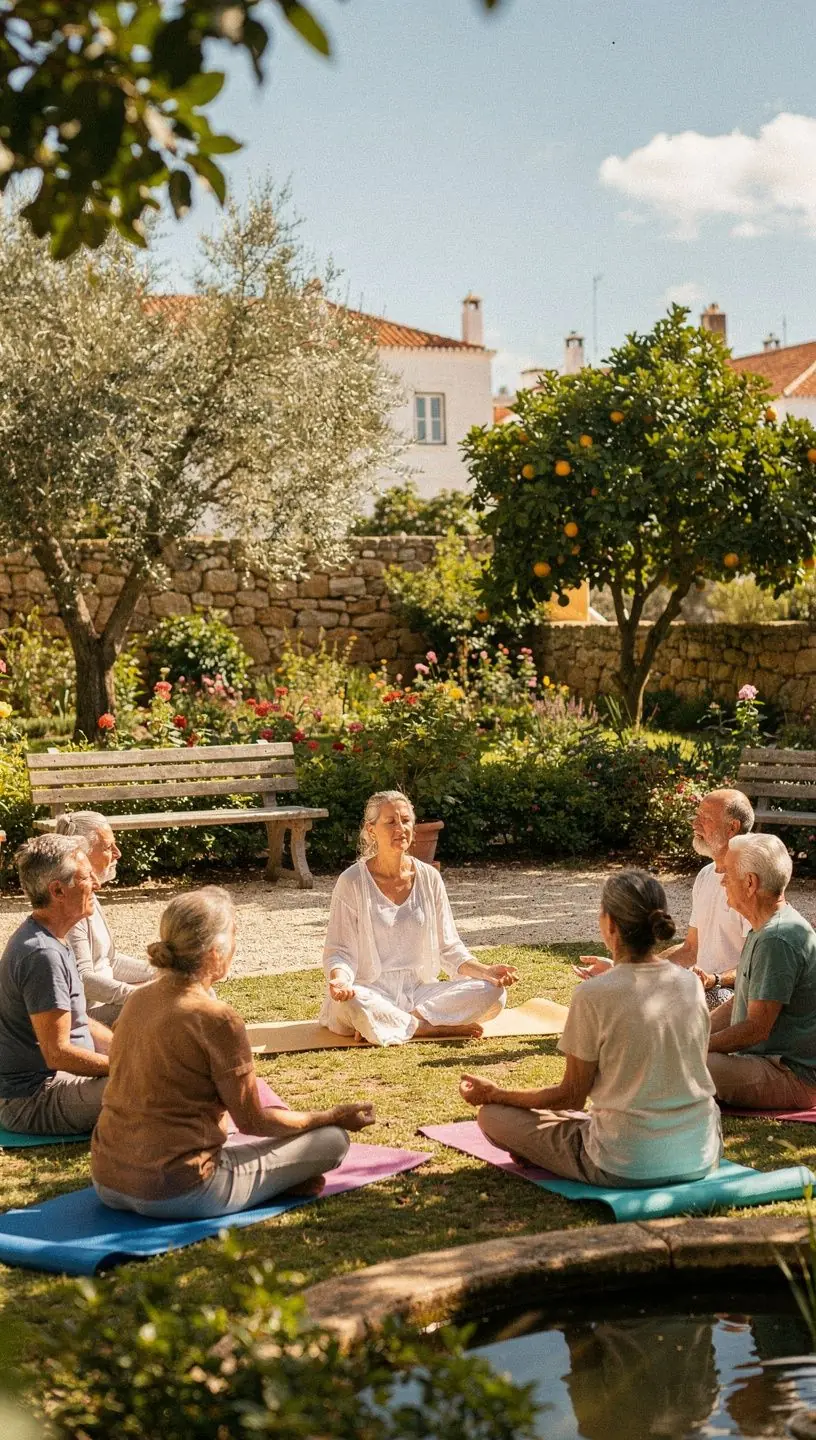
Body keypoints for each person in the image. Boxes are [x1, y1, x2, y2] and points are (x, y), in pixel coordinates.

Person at [91, 887, 375, 1218]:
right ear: (215, 952)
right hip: (181, 1190)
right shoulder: (218, 1019)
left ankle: (272, 1181)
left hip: (108, 1181)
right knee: (332, 1140)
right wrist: (330, 1117)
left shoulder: (137, 1001)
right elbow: (253, 1120)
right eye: (234, 935)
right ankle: (274, 1183)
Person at [461, 870, 721, 1187]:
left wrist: (497, 1093)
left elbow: (571, 1097)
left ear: (609, 925)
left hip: (623, 1162)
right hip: (701, 1153)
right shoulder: (690, 984)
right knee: (576, 1119)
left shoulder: (593, 995)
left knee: (492, 1116)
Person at [319, 790, 519, 1046]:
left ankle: (396, 1022)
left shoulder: (429, 877)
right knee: (353, 1002)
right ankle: (429, 1028)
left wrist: (486, 971)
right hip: (371, 990)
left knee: (493, 992)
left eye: (405, 820)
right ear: (371, 831)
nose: (400, 828)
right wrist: (340, 981)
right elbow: (339, 951)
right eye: (390, 822)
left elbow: (449, 947)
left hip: (419, 993)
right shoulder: (352, 881)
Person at [575, 788, 754, 1010]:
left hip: (732, 993)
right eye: (696, 816)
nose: (694, 824)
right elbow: (690, 948)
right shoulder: (706, 876)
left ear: (732, 827)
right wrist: (627, 970)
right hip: (699, 988)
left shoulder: (751, 883)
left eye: (705, 819)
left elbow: (756, 966)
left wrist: (715, 979)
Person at [0, 835, 111, 1136]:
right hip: (33, 1100)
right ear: (58, 890)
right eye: (87, 878)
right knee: (155, 1086)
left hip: (61, 1081)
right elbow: (57, 1053)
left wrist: (127, 1052)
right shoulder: (41, 954)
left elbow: (78, 1019)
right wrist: (125, 1067)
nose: (97, 885)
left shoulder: (52, 938)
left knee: (156, 1069)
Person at [707, 833, 816, 1110]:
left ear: (750, 883)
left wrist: (696, 1046)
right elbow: (739, 1002)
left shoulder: (776, 938)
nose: (722, 881)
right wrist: (693, 1031)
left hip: (792, 1077)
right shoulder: (765, 927)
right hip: (765, 1063)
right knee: (676, 1050)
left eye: (728, 874)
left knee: (683, 1062)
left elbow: (756, 1028)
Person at [56, 812, 155, 1025]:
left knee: (191, 989)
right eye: (109, 847)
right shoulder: (72, 907)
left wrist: (162, 972)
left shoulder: (90, 895)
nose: (118, 853)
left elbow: (110, 961)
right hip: (88, 1018)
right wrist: (137, 995)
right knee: (170, 1004)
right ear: (82, 854)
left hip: (108, 1003)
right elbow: (83, 980)